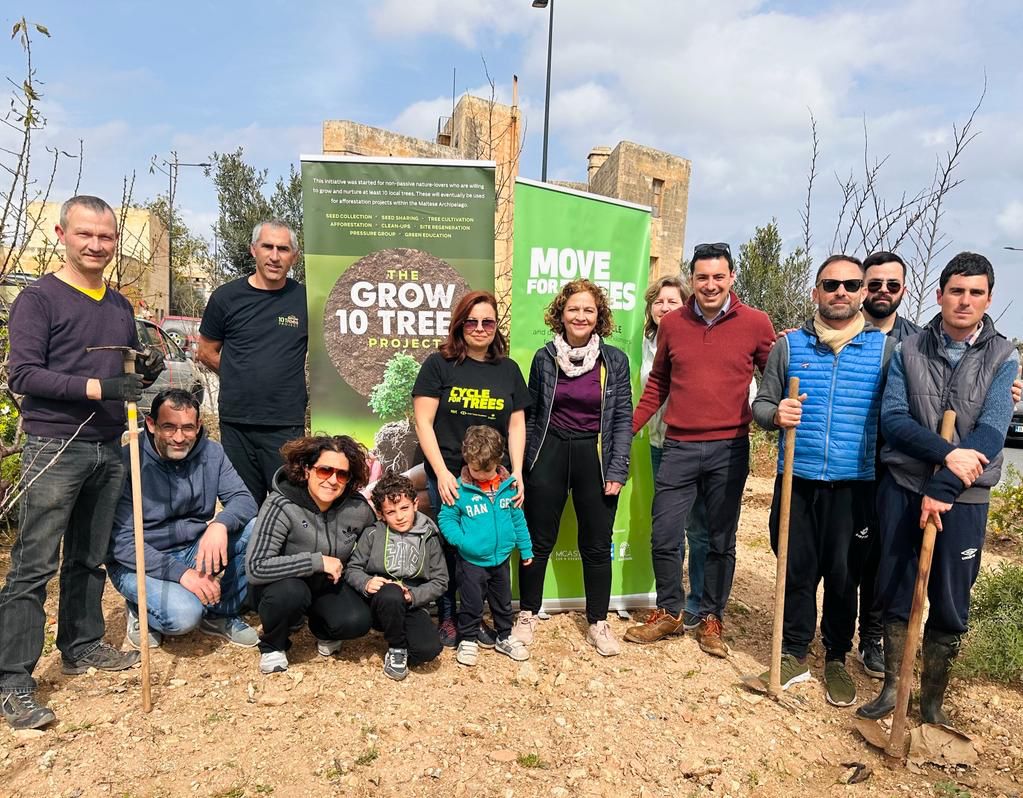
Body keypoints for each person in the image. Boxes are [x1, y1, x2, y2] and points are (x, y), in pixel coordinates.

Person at [0, 195, 163, 731]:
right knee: (34, 565)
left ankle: (82, 643)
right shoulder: (38, 299)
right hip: (56, 446)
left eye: (107, 237)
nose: (97, 245)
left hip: (110, 445)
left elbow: (125, 368)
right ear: (61, 234)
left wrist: (145, 366)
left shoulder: (118, 305)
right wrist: (98, 386)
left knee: (89, 557)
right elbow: (22, 374)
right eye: (85, 235)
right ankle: (14, 680)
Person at [858, 252, 1019, 724]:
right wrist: (946, 455)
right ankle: (893, 688)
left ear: (989, 299)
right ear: (940, 295)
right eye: (956, 291)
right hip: (905, 486)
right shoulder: (910, 351)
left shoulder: (1004, 356)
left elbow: (992, 431)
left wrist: (946, 486)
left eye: (974, 293)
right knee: (895, 586)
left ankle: (931, 703)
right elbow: (893, 419)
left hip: (964, 499)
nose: (964, 301)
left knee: (951, 599)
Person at [752, 254, 895, 707]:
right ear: (815, 291)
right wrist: (775, 414)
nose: (841, 292)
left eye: (851, 285)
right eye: (831, 284)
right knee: (795, 568)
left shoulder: (885, 350)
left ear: (862, 293)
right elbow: (759, 406)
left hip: (856, 485)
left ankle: (836, 655)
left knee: (843, 574)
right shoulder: (789, 347)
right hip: (799, 479)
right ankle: (794, 651)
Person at [627, 243, 775, 656]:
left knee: (720, 537)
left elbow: (774, 375)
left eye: (718, 276)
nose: (710, 285)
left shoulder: (756, 323)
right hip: (679, 446)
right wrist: (628, 431)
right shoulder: (673, 323)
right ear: (692, 279)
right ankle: (670, 611)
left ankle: (711, 616)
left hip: (730, 447)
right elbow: (658, 384)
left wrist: (780, 412)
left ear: (731, 278)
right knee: (665, 533)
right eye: (702, 277)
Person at [513, 279, 632, 657]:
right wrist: (527, 464)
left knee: (597, 545)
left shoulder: (614, 361)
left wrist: (617, 468)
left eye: (588, 310)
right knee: (536, 540)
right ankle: (527, 613)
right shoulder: (544, 357)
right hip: (548, 453)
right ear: (560, 314)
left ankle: (598, 621)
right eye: (573, 309)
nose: (580, 316)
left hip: (594, 457)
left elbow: (623, 418)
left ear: (599, 318)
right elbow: (531, 416)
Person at [412, 290, 530, 646]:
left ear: (496, 326)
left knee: (489, 548)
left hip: (495, 477)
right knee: (452, 548)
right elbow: (423, 422)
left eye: (488, 321)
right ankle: (451, 619)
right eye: (472, 321)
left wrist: (518, 472)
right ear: (460, 324)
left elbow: (517, 425)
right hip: (449, 475)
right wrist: (442, 473)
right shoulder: (439, 365)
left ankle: (484, 618)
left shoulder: (507, 370)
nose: (480, 328)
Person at [107, 389, 258, 650]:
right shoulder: (127, 461)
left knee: (257, 529)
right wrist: (183, 574)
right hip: (139, 560)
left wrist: (221, 524)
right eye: (169, 427)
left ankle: (219, 613)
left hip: (191, 548)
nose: (179, 437)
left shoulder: (212, 453)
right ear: (151, 425)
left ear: (198, 425)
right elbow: (123, 543)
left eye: (188, 428)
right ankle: (139, 608)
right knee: (183, 616)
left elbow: (245, 500)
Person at [246, 435, 377, 674]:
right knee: (290, 594)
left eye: (342, 474)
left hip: (326, 585)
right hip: (281, 585)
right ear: (307, 470)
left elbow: (376, 542)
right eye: (325, 470)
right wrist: (316, 561)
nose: (333, 480)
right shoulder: (281, 504)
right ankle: (273, 645)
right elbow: (256, 567)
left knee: (357, 621)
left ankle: (323, 628)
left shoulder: (358, 509)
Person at [198, 220, 307, 505]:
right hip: (237, 423)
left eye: (283, 249)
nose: (274, 256)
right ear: (253, 250)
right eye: (267, 247)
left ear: (294, 256)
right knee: (243, 504)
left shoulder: (305, 300)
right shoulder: (226, 297)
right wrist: (239, 375)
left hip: (286, 424)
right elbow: (206, 351)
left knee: (290, 505)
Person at [851, 251, 923, 679]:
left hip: (894, 464)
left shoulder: (918, 342)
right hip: (847, 458)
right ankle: (835, 628)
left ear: (903, 290)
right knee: (847, 549)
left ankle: (871, 636)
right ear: (863, 287)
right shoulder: (841, 330)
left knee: (883, 553)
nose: (881, 292)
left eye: (891, 285)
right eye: (873, 284)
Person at [438, 426, 533, 667]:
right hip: (471, 562)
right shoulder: (458, 489)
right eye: (475, 469)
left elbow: (517, 518)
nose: (481, 475)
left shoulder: (508, 486)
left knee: (503, 602)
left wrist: (526, 548)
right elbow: (446, 519)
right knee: (471, 603)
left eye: (487, 470)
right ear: (467, 460)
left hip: (501, 560)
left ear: (498, 461)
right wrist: (462, 541)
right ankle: (468, 639)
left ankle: (504, 636)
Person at [346, 472, 448, 681]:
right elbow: (352, 568)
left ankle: (401, 632)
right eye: (391, 512)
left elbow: (440, 581)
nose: (400, 516)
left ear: (415, 504)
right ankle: (397, 648)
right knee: (391, 594)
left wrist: (413, 595)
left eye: (404, 508)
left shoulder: (429, 536)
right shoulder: (373, 533)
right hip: (379, 599)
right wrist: (366, 582)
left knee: (428, 651)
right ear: (381, 514)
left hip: (409, 602)